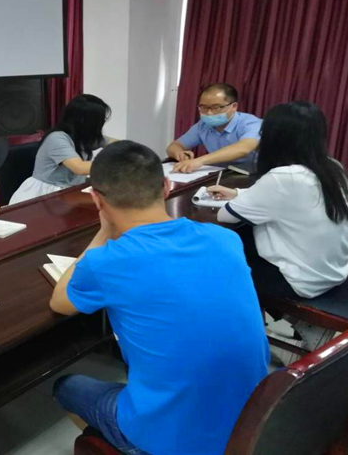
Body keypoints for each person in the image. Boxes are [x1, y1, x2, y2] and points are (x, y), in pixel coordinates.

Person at [50, 141, 269, 455]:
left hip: (172, 438)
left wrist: (103, 232)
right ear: (166, 186)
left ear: (97, 199)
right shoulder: (225, 238)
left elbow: (59, 302)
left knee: (67, 387)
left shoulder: (107, 261)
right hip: (253, 421)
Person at [208, 101, 348, 351]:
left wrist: (238, 199)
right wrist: (238, 193)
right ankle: (299, 322)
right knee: (244, 242)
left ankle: (248, 338)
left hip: (299, 279)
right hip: (331, 271)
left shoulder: (283, 177)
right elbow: (287, 202)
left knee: (220, 260)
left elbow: (226, 216)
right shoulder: (332, 168)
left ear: (274, 139)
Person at [9, 94, 112, 205]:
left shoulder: (83, 137)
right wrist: (116, 165)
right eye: (100, 120)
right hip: (44, 194)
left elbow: (116, 144)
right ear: (87, 122)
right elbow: (79, 168)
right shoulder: (57, 138)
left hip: (69, 192)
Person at [166, 83, 262, 173]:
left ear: (234, 106)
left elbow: (244, 148)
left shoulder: (251, 123)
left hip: (252, 175)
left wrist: (200, 160)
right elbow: (174, 146)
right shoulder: (203, 125)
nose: (209, 113)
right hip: (218, 174)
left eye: (216, 107)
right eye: (204, 107)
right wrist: (180, 154)